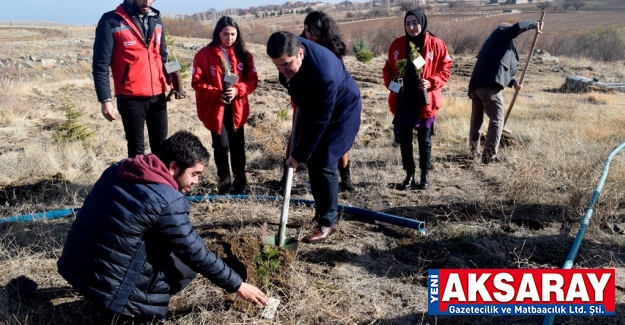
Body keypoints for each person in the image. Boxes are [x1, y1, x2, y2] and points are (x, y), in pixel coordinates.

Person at [57, 131, 267, 325]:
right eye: (194, 174)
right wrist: (239, 285)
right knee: (185, 264)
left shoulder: (119, 169)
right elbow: (195, 253)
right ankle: (129, 315)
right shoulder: (167, 199)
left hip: (77, 267)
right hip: (107, 283)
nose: (196, 181)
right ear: (174, 167)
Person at [267, 31, 361, 244]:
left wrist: (298, 154)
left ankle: (328, 222)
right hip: (315, 105)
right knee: (315, 160)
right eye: (277, 66)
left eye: (286, 64)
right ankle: (319, 216)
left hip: (341, 111)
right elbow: (295, 87)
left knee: (324, 161)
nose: (282, 71)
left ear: (300, 53)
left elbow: (321, 121)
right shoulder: (292, 56)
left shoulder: (323, 74)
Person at [93, 0, 186, 158]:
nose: (147, 2)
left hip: (158, 96)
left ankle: (158, 183)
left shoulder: (155, 18)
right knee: (137, 151)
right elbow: (100, 64)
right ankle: (137, 182)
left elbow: (163, 55)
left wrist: (174, 82)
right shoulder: (111, 20)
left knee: (161, 148)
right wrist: (105, 100)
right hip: (130, 97)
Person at [278, 11, 355, 192]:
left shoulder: (331, 51)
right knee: (296, 135)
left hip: (327, 102)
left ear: (324, 32)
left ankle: (345, 177)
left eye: (314, 32)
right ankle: (286, 176)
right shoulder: (299, 46)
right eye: (306, 30)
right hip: (303, 100)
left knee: (335, 141)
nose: (309, 35)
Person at [382, 10, 452, 190]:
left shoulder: (436, 44)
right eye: (407, 24)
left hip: (425, 100)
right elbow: (388, 70)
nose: (411, 27)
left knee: (425, 139)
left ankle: (424, 174)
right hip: (404, 101)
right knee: (405, 140)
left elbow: (445, 70)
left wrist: (430, 82)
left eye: (415, 23)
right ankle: (409, 174)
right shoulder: (397, 45)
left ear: (422, 23)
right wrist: (394, 84)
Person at [192, 16, 258, 195]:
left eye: (233, 34)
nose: (229, 38)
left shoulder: (244, 55)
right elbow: (197, 82)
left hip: (237, 108)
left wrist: (238, 90)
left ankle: (240, 183)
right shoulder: (203, 55)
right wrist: (216, 94)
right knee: (221, 147)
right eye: (225, 34)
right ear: (217, 34)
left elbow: (252, 80)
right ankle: (224, 183)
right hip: (216, 109)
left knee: (238, 147)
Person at [468, 20, 543, 164]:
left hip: (476, 88)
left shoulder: (493, 45)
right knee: (497, 120)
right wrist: (535, 24)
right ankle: (489, 156)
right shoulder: (501, 32)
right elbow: (516, 28)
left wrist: (513, 82)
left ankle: (473, 153)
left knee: (476, 121)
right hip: (488, 87)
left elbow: (497, 67)